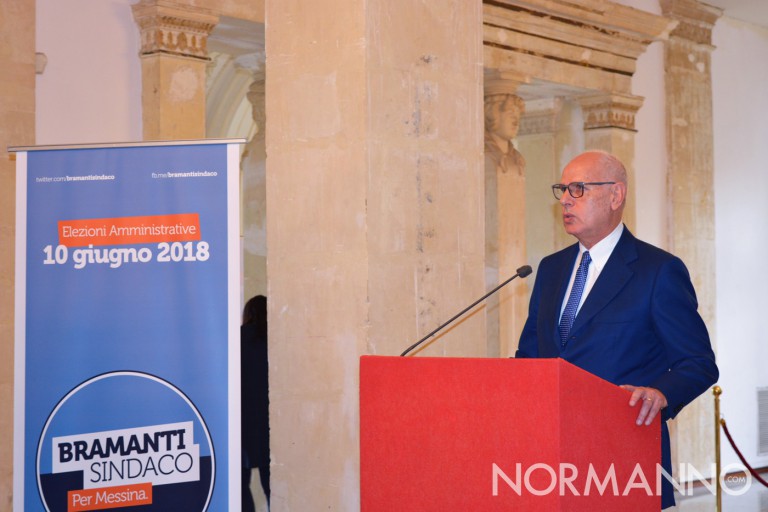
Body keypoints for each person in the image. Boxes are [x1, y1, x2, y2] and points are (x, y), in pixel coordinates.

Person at [516, 150, 719, 509]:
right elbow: (530, 357)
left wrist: (660, 393)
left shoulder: (658, 271)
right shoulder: (551, 268)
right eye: (563, 189)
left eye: (578, 188)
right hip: (547, 459)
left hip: (623, 456)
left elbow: (698, 362)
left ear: (615, 195)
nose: (565, 199)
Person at [241, 295, 270, 511]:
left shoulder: (236, 340)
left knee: (240, 485)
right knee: (272, 485)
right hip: (268, 423)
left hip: (242, 423)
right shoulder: (275, 340)